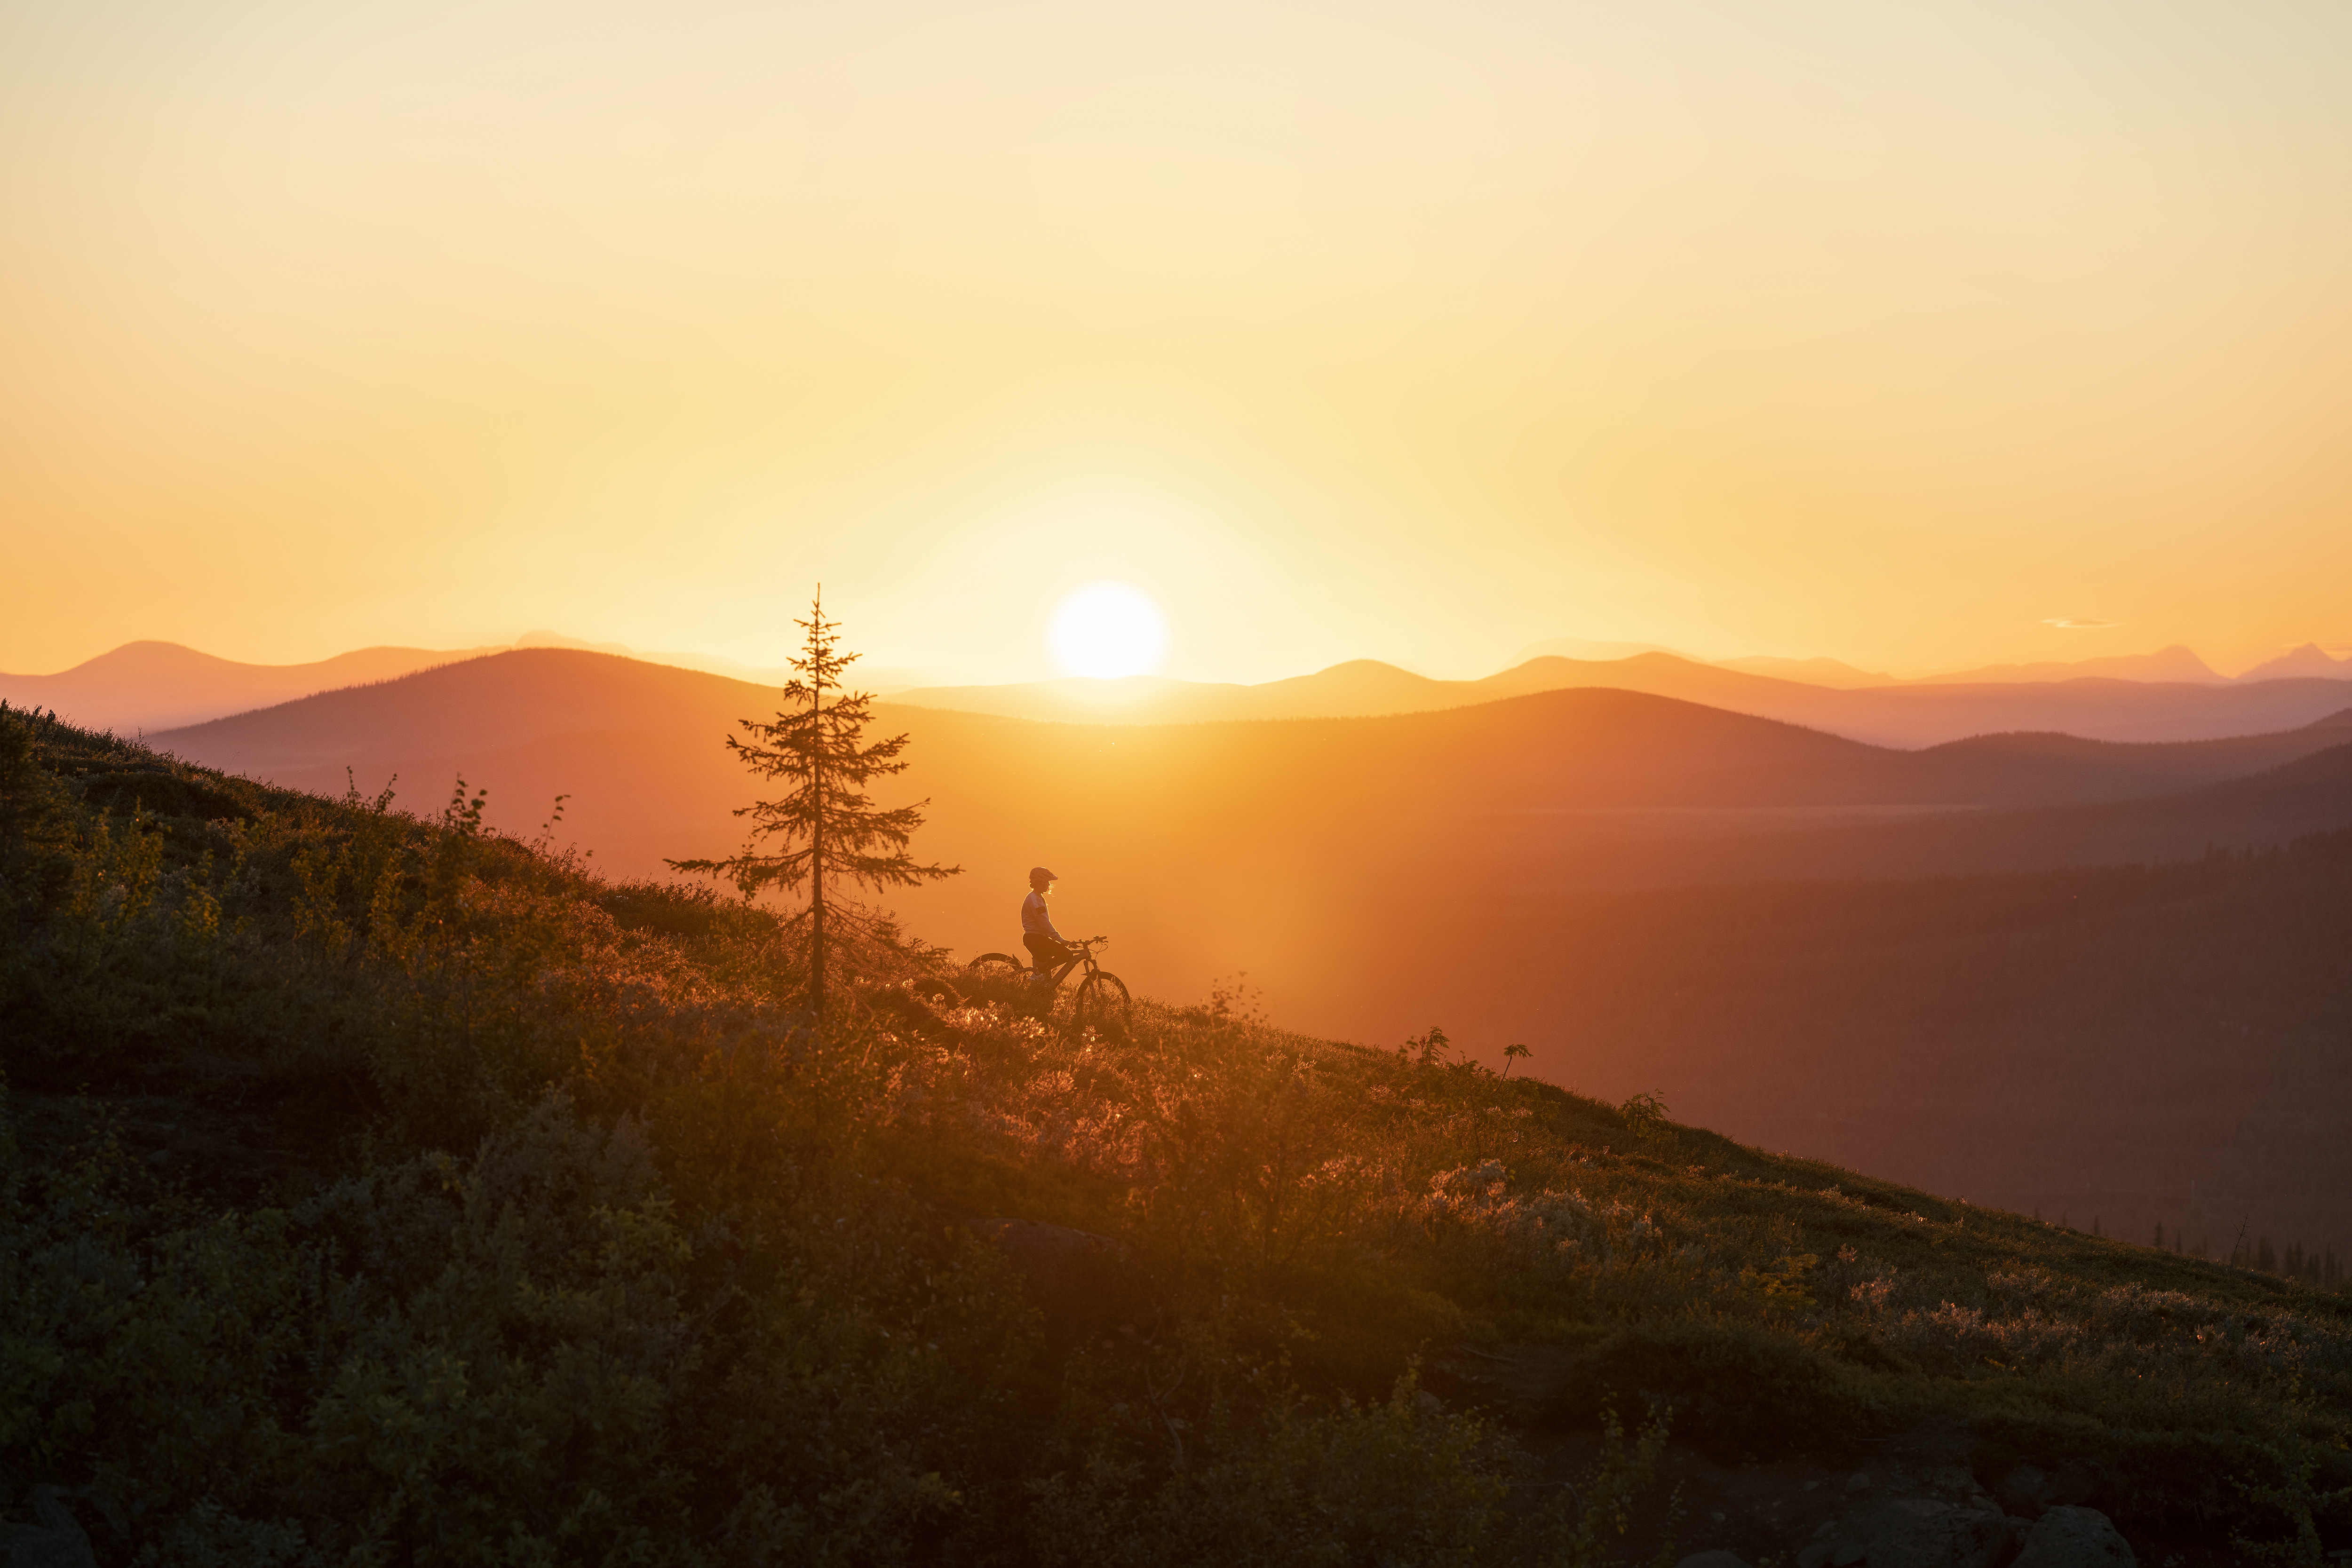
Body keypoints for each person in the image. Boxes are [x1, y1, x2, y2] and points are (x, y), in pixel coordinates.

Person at [1021, 865, 1073, 981]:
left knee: (1046, 979)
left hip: (1037, 938)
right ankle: (1037, 975)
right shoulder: (1034, 900)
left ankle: (1038, 984)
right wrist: (1060, 939)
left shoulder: (1037, 898)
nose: (1049, 885)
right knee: (1067, 955)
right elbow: (1044, 923)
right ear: (1040, 883)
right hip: (1035, 939)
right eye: (1047, 882)